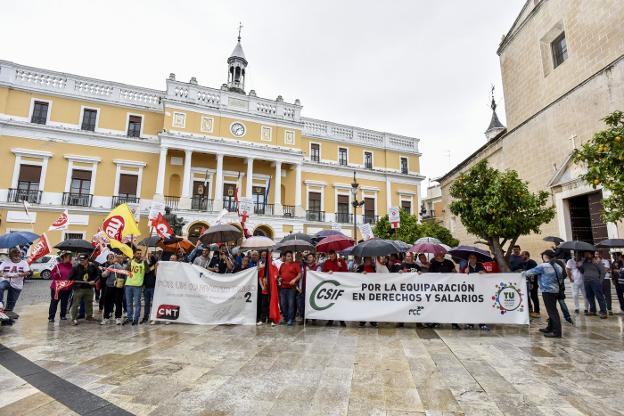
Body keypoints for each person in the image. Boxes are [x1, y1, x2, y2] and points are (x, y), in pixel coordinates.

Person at [523, 250, 565, 338]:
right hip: (556, 290)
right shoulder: (558, 266)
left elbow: (528, 272)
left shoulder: (544, 266)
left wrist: (520, 274)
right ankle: (550, 327)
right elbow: (563, 277)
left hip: (547, 291)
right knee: (552, 310)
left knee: (552, 312)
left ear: (545, 256)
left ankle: (557, 332)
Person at [68, 254, 99, 325]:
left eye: (83, 260)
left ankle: (89, 316)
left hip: (89, 288)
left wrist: (94, 281)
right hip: (79, 288)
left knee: (89, 303)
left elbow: (97, 275)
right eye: (80, 260)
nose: (81, 262)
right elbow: (70, 278)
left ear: (87, 259)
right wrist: (76, 282)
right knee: (76, 304)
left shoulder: (92, 266)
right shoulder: (75, 267)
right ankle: (73, 318)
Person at [0, 248, 30, 320]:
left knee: (11, 302)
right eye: (14, 256)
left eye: (18, 256)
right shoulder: (6, 262)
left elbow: (27, 272)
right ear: (11, 256)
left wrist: (20, 274)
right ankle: (0, 303)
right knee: (0, 286)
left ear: (20, 256)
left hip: (17, 284)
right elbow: (0, 270)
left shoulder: (24, 263)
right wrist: (2, 274)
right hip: (6, 280)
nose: (16, 258)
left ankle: (7, 316)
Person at [464, 254, 489, 331]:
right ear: (468, 259)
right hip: (470, 290)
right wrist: (465, 273)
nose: (472, 259)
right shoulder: (466, 266)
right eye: (471, 258)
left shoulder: (480, 265)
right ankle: (470, 323)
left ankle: (482, 324)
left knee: (480, 307)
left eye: (474, 258)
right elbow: (461, 278)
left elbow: (487, 275)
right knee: (470, 307)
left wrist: (483, 273)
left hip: (480, 290)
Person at [580, 251, 608, 319]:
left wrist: (600, 281)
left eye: (587, 253)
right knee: (589, 296)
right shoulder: (584, 262)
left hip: (595, 281)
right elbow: (582, 271)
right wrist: (579, 266)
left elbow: (603, 271)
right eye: (585, 253)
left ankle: (603, 312)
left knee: (599, 296)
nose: (586, 254)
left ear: (591, 254)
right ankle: (593, 310)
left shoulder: (596, 261)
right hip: (586, 281)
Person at [101, 254, 126, 325]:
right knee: (107, 303)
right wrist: (105, 271)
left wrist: (115, 264)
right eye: (110, 258)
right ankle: (106, 317)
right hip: (109, 287)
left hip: (118, 287)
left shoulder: (122, 266)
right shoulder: (109, 266)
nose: (112, 259)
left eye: (113, 258)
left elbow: (122, 270)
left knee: (118, 302)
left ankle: (118, 317)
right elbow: (104, 275)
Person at [48, 252, 73, 322]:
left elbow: (73, 276)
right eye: (69, 257)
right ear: (64, 257)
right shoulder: (58, 266)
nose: (70, 258)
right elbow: (52, 276)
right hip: (56, 288)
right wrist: (56, 274)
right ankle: (51, 317)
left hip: (67, 288)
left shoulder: (72, 266)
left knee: (64, 302)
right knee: (54, 302)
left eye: (70, 257)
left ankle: (63, 315)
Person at [278, 251, 301, 326]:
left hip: (292, 288)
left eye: (291, 256)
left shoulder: (296, 264)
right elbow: (280, 275)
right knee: (283, 304)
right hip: (283, 287)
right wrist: (280, 278)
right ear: (285, 257)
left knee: (291, 304)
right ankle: (285, 318)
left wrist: (294, 280)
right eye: (288, 256)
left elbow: (300, 274)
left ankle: (290, 319)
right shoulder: (282, 265)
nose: (290, 257)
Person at [125, 249, 147, 325]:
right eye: (138, 253)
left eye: (140, 253)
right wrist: (129, 263)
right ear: (134, 254)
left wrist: (145, 262)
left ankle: (136, 319)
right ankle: (129, 317)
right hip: (129, 284)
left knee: (137, 303)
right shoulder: (131, 261)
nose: (139, 255)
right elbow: (126, 270)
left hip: (138, 285)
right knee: (129, 303)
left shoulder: (144, 262)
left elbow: (147, 271)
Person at [521, 251, 540, 318]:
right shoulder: (523, 263)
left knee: (534, 297)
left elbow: (534, 273)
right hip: (526, 283)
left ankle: (537, 311)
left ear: (527, 255)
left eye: (522, 255)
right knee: (527, 297)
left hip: (533, 283)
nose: (521, 256)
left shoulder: (532, 262)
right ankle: (530, 309)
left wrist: (532, 283)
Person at [142, 251, 158, 324]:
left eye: (151, 256)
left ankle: (154, 317)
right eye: (148, 256)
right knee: (146, 304)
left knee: (154, 303)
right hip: (146, 287)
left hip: (153, 287)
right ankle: (145, 317)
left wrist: (145, 261)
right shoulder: (145, 264)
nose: (149, 256)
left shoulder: (154, 265)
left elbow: (148, 270)